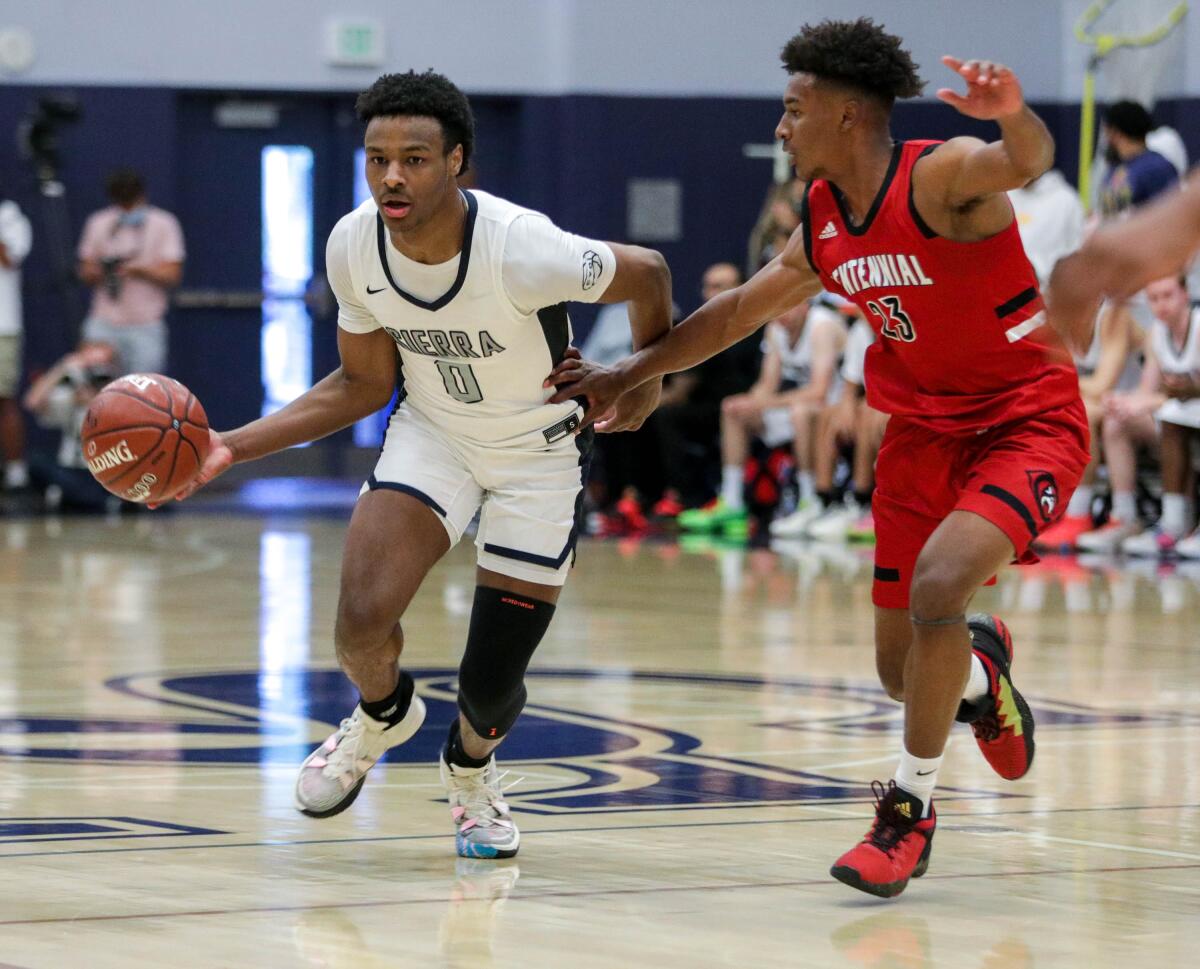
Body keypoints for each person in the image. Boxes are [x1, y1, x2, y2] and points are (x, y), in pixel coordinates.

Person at [546, 19, 1088, 897]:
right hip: (918, 436)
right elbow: (733, 315)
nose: (781, 128)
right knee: (897, 669)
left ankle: (908, 813)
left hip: (1025, 420)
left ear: (845, 114)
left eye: (793, 110)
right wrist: (626, 371)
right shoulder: (827, 221)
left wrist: (1014, 114)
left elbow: (1022, 160)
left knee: (940, 587)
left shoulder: (941, 174)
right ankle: (984, 677)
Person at [172, 71, 672, 859]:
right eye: (377, 159)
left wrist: (644, 377)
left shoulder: (522, 247)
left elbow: (646, 270)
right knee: (360, 623)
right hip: (432, 435)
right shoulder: (352, 244)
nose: (392, 176)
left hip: (535, 458)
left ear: (457, 162)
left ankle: (471, 770)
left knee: (489, 688)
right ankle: (380, 714)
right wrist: (230, 446)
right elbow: (363, 383)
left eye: (413, 158)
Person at [680, 297, 845, 539]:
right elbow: (767, 385)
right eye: (778, 307)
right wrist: (750, 402)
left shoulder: (822, 326)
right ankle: (733, 501)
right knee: (732, 409)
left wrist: (765, 402)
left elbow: (820, 391)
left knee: (800, 412)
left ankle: (810, 501)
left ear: (804, 304)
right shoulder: (775, 329)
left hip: (835, 408)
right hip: (797, 407)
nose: (782, 315)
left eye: (788, 306)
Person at [1075, 275, 1200, 557]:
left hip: (1187, 420)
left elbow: (1163, 398)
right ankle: (1127, 517)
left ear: (1184, 294)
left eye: (1167, 295)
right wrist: (1125, 402)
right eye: (1154, 298)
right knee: (1117, 421)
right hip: (1176, 419)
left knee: (1172, 419)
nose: (1161, 305)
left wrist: (1148, 402)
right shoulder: (1157, 334)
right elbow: (1148, 391)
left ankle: (1180, 521)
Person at [77, 168, 185, 375]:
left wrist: (139, 270)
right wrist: (105, 270)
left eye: (130, 202)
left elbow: (173, 274)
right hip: (104, 321)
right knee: (94, 387)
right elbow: (85, 270)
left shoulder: (164, 223)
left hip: (146, 324)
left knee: (144, 391)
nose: (126, 209)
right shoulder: (99, 222)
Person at [22, 342, 121, 512]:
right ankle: (81, 498)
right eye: (92, 366)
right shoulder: (73, 396)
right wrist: (63, 367)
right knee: (36, 463)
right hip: (72, 470)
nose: (97, 372)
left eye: (103, 366)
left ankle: (101, 499)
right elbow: (32, 402)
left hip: (107, 474)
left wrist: (99, 400)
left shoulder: (125, 400)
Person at [1097, 101, 1179, 220]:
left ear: (1115, 132)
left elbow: (1170, 216)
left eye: (1106, 131)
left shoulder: (1157, 168)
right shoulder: (1115, 167)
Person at [0, 194, 32, 491]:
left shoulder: (10, 215)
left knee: (4, 399)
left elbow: (9, 257)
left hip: (2, 325)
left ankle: (16, 473)